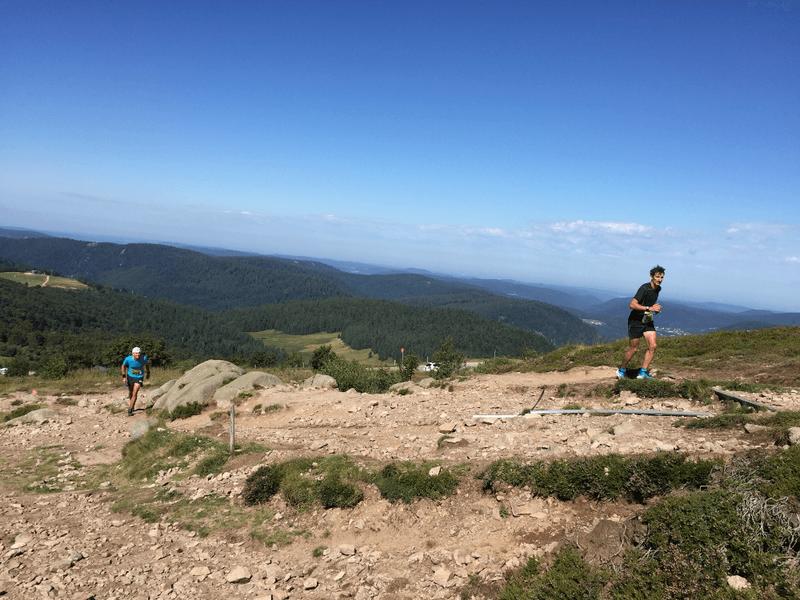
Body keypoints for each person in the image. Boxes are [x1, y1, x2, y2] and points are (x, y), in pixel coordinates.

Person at [617, 266, 665, 380]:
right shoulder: (644, 288)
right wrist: (649, 308)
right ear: (652, 276)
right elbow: (632, 305)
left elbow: (650, 305)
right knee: (633, 348)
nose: (660, 279)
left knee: (653, 346)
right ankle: (622, 369)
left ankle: (642, 372)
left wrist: (655, 308)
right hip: (635, 321)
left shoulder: (658, 289)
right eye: (657, 277)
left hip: (647, 320)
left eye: (662, 277)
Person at [121, 346, 150, 416]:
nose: (138, 355)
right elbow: (123, 366)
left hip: (139, 377)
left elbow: (147, 364)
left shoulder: (144, 358)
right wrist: (124, 377)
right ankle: (132, 405)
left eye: (139, 353)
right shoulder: (128, 359)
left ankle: (130, 409)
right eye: (136, 353)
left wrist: (148, 372)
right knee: (131, 392)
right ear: (133, 354)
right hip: (130, 376)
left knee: (135, 392)